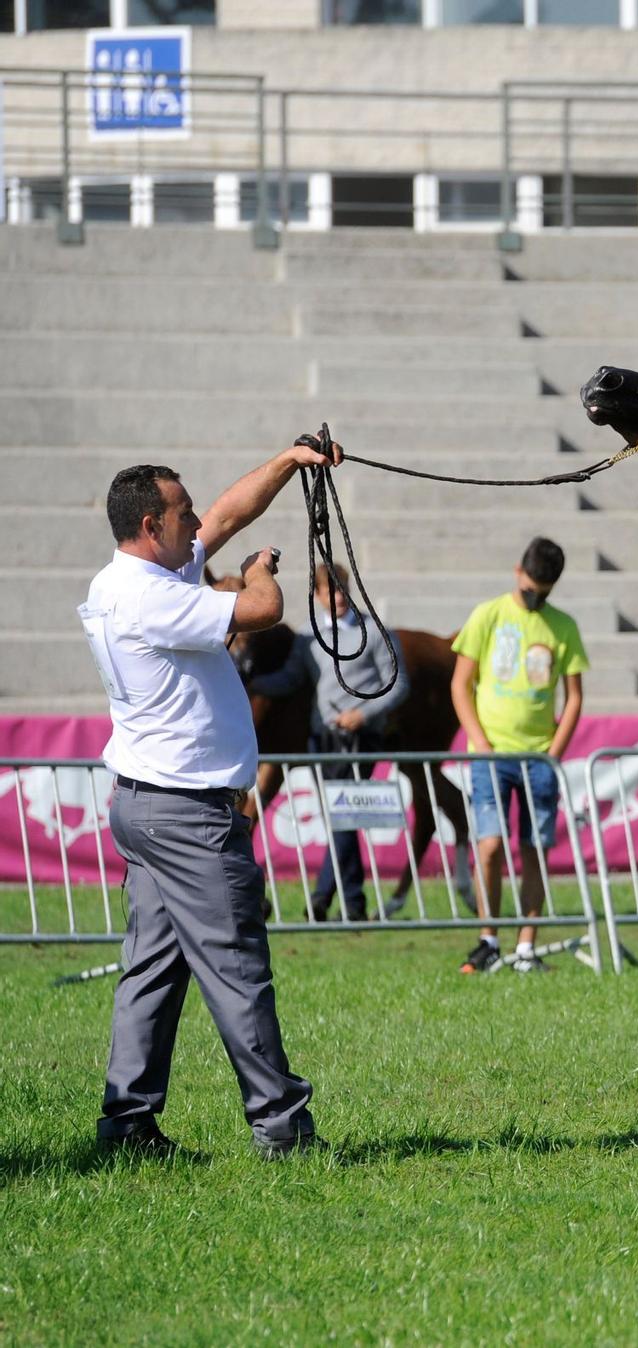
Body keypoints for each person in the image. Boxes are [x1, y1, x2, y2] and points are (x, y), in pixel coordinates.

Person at [82, 446, 341, 1160]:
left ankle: (128, 1124)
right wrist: (256, 575)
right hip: (188, 813)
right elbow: (262, 608)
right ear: (148, 525)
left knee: (153, 969)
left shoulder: (127, 578)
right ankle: (282, 1126)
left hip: (146, 802)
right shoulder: (152, 595)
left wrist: (290, 462)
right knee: (235, 964)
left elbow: (228, 512)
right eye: (180, 513)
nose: (196, 523)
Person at [450, 537, 589, 974]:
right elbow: (461, 685)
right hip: (490, 757)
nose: (535, 598)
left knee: (535, 850)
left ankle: (526, 947)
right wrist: (482, 743)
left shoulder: (562, 625)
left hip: (538, 761)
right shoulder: (487, 615)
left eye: (544, 592)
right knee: (489, 846)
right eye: (530, 589)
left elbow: (574, 698)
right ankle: (488, 938)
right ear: (517, 572)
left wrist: (554, 751)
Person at [248, 561, 408, 922]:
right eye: (327, 590)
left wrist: (362, 714)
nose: (336, 597)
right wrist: (253, 684)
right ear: (316, 595)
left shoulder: (375, 632)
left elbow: (398, 684)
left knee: (343, 815)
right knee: (341, 818)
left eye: (340, 589)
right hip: (323, 739)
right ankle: (341, 901)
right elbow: (291, 678)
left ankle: (341, 900)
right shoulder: (308, 637)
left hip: (361, 738)